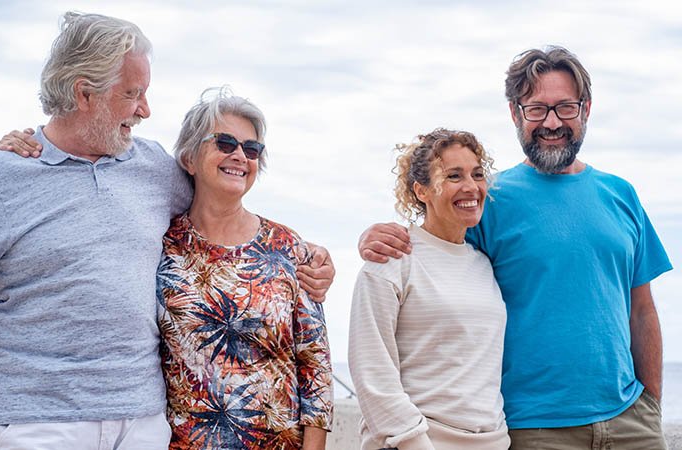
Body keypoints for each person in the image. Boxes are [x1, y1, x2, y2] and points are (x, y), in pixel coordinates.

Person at [0, 12, 333, 450]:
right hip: (38, 420)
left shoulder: (155, 169)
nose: (145, 110)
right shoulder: (2, 177)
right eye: (133, 94)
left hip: (142, 421)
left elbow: (222, 204)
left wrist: (307, 254)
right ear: (84, 93)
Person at [358, 46, 672, 449]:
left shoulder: (621, 194)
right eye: (537, 109)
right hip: (533, 428)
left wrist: (651, 404)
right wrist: (373, 236)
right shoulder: (490, 199)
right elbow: (438, 250)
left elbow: (642, 309)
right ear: (515, 113)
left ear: (586, 109)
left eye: (565, 107)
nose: (552, 122)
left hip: (631, 420)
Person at [156, 87, 333, 450]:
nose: (239, 155)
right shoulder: (162, 247)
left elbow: (315, 365)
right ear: (189, 159)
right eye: (224, 143)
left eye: (251, 149)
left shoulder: (286, 247)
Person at [349, 128, 508, 450]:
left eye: (477, 174)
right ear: (421, 191)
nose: (471, 186)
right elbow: (372, 371)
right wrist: (415, 443)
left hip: (492, 441)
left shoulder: (483, 264)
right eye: (453, 176)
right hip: (418, 443)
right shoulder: (391, 261)